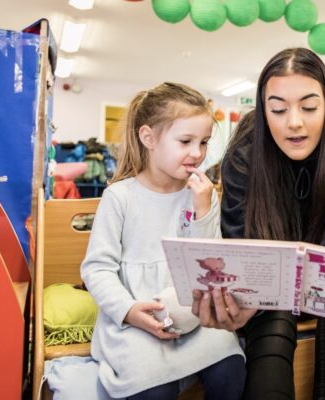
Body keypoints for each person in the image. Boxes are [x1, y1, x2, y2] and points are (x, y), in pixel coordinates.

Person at [191, 48, 325, 400]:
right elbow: (240, 240)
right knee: (273, 316)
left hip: (323, 279)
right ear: (264, 110)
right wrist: (237, 296)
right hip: (268, 284)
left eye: (309, 107)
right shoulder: (245, 154)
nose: (294, 122)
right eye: (279, 109)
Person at [80, 82, 245, 400]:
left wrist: (202, 212)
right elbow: (97, 269)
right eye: (185, 141)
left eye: (204, 142)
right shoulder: (120, 197)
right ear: (148, 138)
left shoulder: (201, 195)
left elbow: (210, 266)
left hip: (195, 316)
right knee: (154, 387)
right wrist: (129, 311)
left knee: (231, 367)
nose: (197, 153)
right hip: (137, 319)